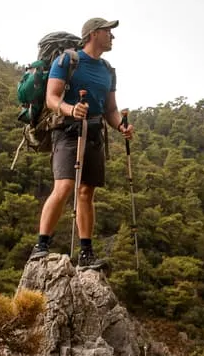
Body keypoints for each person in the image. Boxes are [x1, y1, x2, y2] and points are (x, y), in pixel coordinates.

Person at [30, 17, 135, 270]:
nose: (112, 37)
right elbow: (52, 98)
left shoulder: (108, 70)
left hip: (95, 132)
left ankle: (86, 253)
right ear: (93, 34)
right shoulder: (67, 61)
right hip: (67, 130)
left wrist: (121, 125)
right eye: (108, 32)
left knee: (87, 192)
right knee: (65, 186)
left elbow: (110, 109)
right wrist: (70, 109)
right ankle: (41, 246)